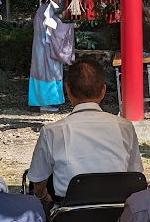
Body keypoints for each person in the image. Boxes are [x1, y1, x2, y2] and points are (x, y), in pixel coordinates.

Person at [25, 59, 143, 202]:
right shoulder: (125, 127)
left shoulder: (52, 131)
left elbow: (38, 180)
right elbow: (135, 175)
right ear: (103, 91)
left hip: (70, 215)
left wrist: (43, 196)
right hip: (118, 213)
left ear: (68, 91)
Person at [29, 1, 75, 112]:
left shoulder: (41, 10)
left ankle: (42, 102)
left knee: (43, 72)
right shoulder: (46, 10)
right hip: (47, 48)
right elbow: (58, 28)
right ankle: (46, 103)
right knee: (49, 73)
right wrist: (71, 26)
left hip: (42, 46)